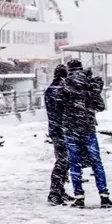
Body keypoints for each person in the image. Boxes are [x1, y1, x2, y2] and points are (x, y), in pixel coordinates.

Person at [60, 59, 112, 208]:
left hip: (71, 130)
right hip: (88, 129)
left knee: (74, 163)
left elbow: (59, 107)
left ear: (69, 69)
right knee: (96, 163)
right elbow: (100, 106)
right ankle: (104, 197)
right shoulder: (90, 84)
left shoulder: (64, 85)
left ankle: (79, 198)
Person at [44, 64, 72, 206]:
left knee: (63, 161)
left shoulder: (52, 89)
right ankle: (54, 193)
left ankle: (59, 190)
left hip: (56, 129)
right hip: (60, 130)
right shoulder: (58, 90)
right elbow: (63, 109)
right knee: (62, 161)